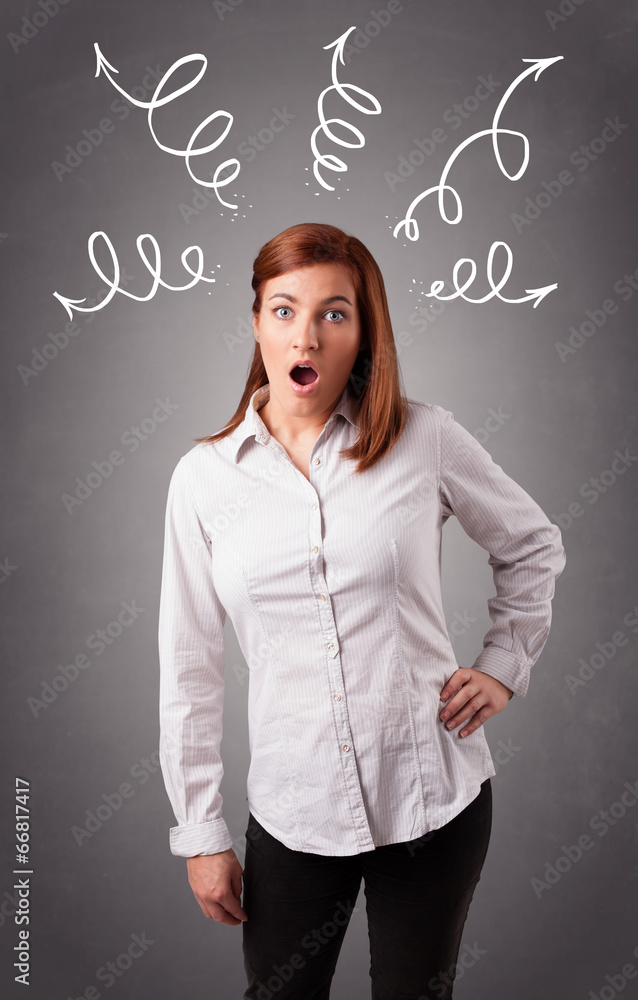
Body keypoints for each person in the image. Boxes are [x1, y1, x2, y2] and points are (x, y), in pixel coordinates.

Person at [157, 222, 566, 1000]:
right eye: (284, 309)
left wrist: (505, 665)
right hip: (293, 810)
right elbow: (189, 666)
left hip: (433, 801)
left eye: (333, 312)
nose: (305, 334)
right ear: (256, 322)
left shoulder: (425, 438)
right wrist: (201, 832)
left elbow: (533, 545)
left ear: (363, 329)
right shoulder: (203, 480)